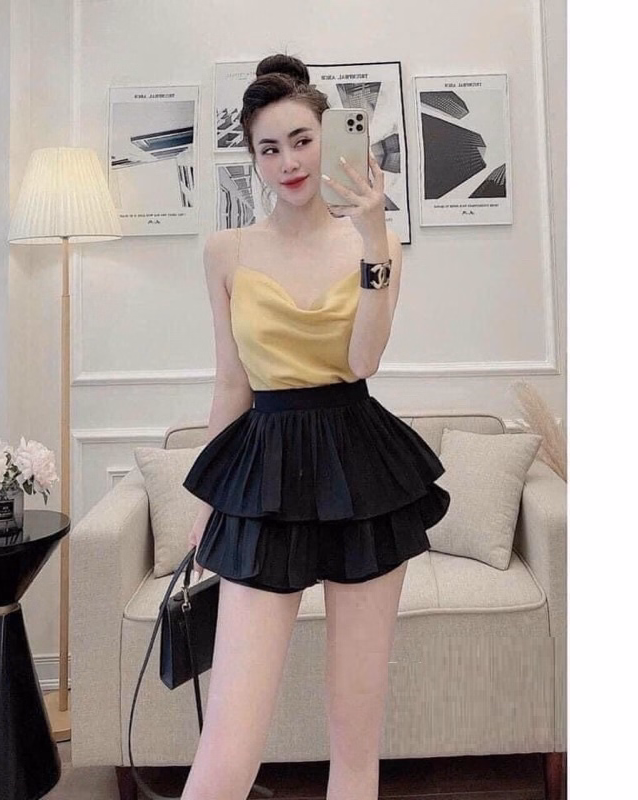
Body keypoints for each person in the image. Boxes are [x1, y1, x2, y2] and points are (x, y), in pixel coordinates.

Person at [180, 53, 450, 800]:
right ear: (254, 159)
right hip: (263, 472)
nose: (289, 162)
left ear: (329, 138)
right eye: (269, 149)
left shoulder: (375, 245)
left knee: (355, 739)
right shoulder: (226, 251)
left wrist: (373, 238)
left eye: (301, 140)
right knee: (228, 746)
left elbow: (363, 361)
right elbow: (231, 381)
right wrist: (203, 507)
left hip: (362, 467)